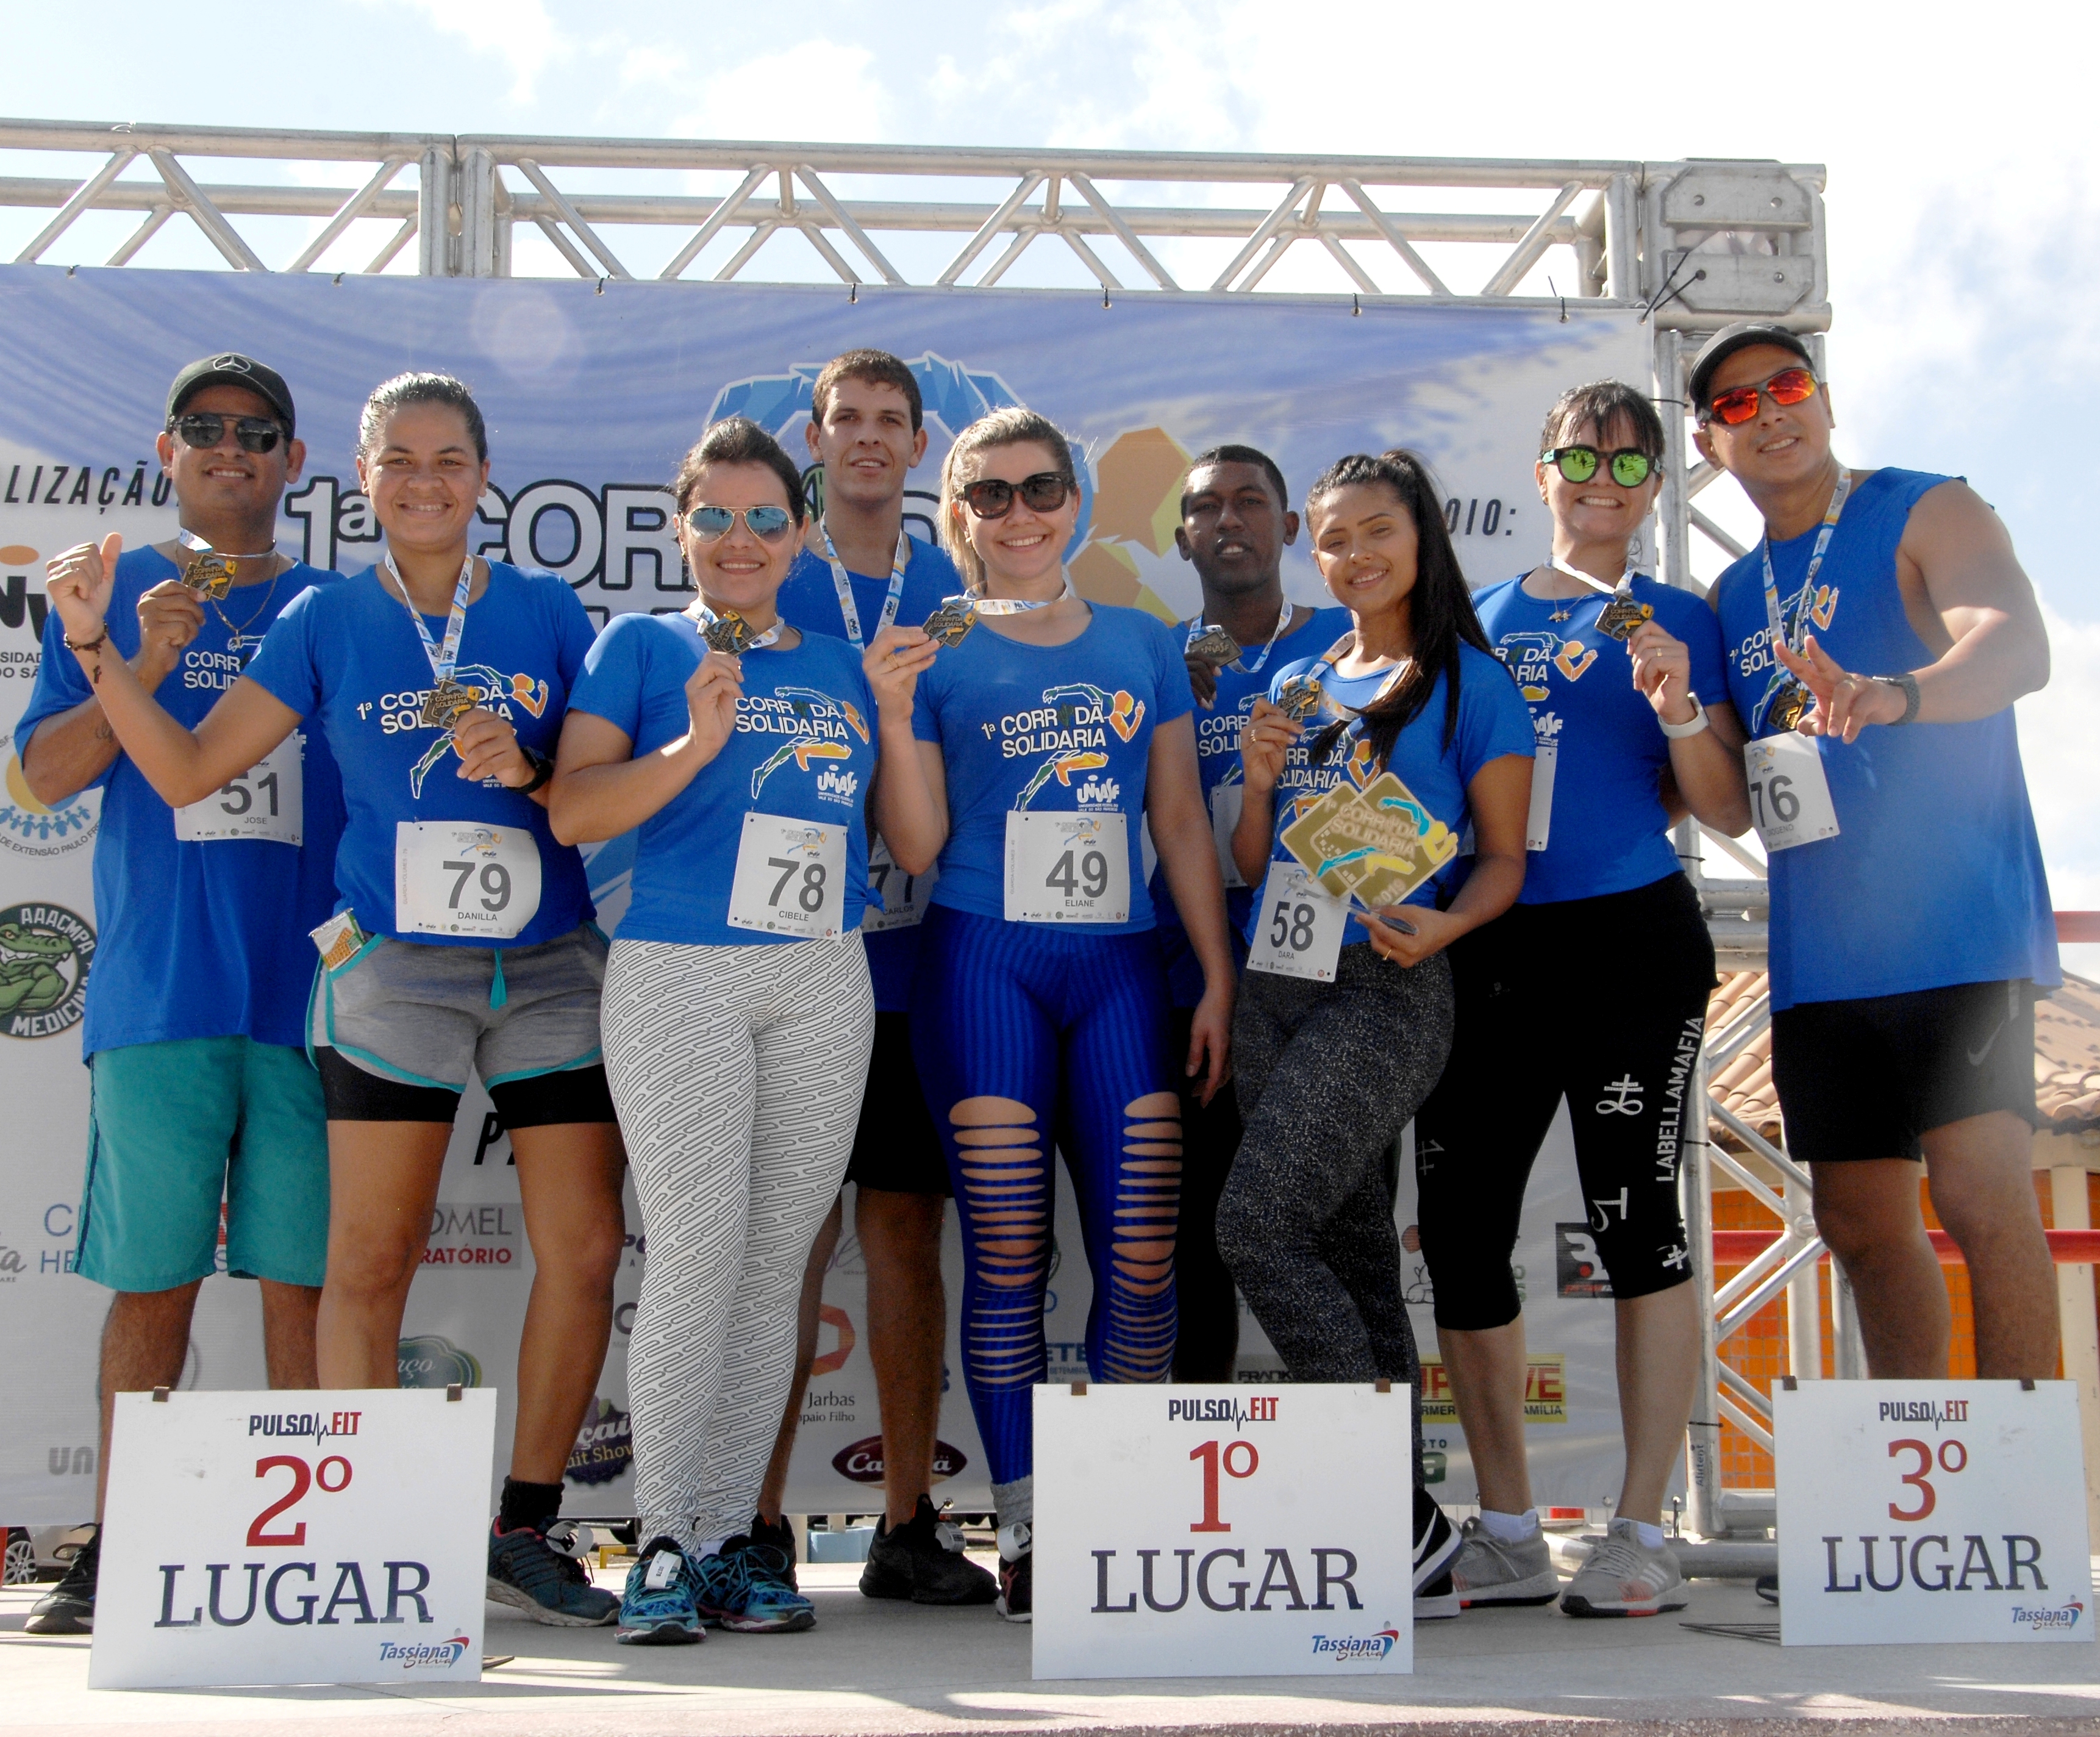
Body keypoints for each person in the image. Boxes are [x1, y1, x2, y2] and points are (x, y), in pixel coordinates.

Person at [41, 373, 629, 1630]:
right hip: (394, 971)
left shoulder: (545, 608)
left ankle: (524, 1520)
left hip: (546, 966)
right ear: (360, 478)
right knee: (365, 1259)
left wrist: (526, 765)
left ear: (484, 476)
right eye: (399, 458)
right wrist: (99, 651)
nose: (425, 479)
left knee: (581, 1250)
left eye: (450, 458)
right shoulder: (319, 620)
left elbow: (602, 781)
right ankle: (368, 1524)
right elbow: (193, 765)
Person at [875, 406, 1236, 1622]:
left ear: (1077, 501)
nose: (1019, 514)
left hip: (1122, 971)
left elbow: (1181, 822)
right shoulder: (930, 644)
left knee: (1141, 1256)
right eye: (990, 495)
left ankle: (1120, 1506)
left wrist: (1218, 976)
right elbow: (914, 845)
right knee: (1009, 1255)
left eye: (1040, 490)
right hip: (982, 965)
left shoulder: (1142, 640)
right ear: (957, 514)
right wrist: (890, 716)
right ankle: (1031, 1521)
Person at [551, 416, 898, 1642]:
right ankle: (652, 1536)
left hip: (823, 972)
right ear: (678, 526)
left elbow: (909, 833)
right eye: (716, 517)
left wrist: (898, 717)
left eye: (764, 519)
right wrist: (696, 742)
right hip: (680, 969)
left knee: (771, 1267)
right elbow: (575, 807)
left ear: (800, 532)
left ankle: (718, 1542)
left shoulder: (847, 664)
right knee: (696, 1250)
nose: (740, 540)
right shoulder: (639, 643)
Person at [19, 354, 345, 1636]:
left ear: (293, 459)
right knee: (153, 1282)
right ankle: (124, 1542)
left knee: (302, 1288)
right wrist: (132, 667)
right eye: (205, 432)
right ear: (168, 452)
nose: (230, 451)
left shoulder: (344, 605)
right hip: (161, 994)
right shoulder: (114, 591)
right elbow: (41, 777)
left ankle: (315, 1546)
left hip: (316, 1001)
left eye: (255, 433)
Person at [1417, 382, 1750, 1618]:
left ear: (1658, 482)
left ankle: (1638, 1526)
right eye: (1578, 455)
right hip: (1491, 941)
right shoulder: (1480, 619)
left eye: (1628, 461)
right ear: (1543, 471)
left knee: (1637, 1224)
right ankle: (1508, 1525)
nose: (1602, 478)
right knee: (1458, 1227)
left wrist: (1680, 705)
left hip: (1632, 940)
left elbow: (1718, 807)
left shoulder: (1682, 613)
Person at [1694, 323, 2059, 1381]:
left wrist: (1893, 697)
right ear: (1710, 448)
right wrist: (1677, 713)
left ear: (1826, 399)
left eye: (1787, 385)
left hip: (1958, 922)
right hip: (1825, 953)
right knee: (1857, 1225)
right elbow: (1729, 806)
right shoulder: (1732, 596)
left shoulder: (1925, 503)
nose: (1768, 412)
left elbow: (2017, 644)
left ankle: (2011, 1492)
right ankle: (1920, 1479)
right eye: (1733, 406)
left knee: (1983, 1197)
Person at [1221, 449, 1534, 1622]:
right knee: (1350, 1260)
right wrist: (1256, 784)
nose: (1353, 554)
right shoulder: (1303, 679)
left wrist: (1446, 923)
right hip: (1276, 983)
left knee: (1254, 1226)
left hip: (1388, 988)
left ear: (1422, 535)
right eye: (1334, 537)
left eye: (1375, 531)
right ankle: (1403, 1553)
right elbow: (1258, 867)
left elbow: (1505, 857)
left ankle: (1395, 1521)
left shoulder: (1470, 682)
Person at [750, 350, 993, 1605]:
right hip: (780, 956)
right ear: (815, 434)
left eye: (891, 424)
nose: (866, 440)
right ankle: (752, 1517)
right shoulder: (763, 566)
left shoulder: (965, 584)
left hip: (919, 958)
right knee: (786, 1241)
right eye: (847, 420)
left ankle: (908, 1518)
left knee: (905, 1232)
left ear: (918, 447)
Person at [1159, 445, 1351, 1381]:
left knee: (1339, 1225)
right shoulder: (1159, 659)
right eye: (1206, 507)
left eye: (1250, 502)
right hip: (1195, 978)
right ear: (1181, 535)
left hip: (1334, 979)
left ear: (1290, 526)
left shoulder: (1357, 645)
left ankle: (1374, 1487)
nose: (1228, 520)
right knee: (1201, 1234)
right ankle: (1205, 1456)